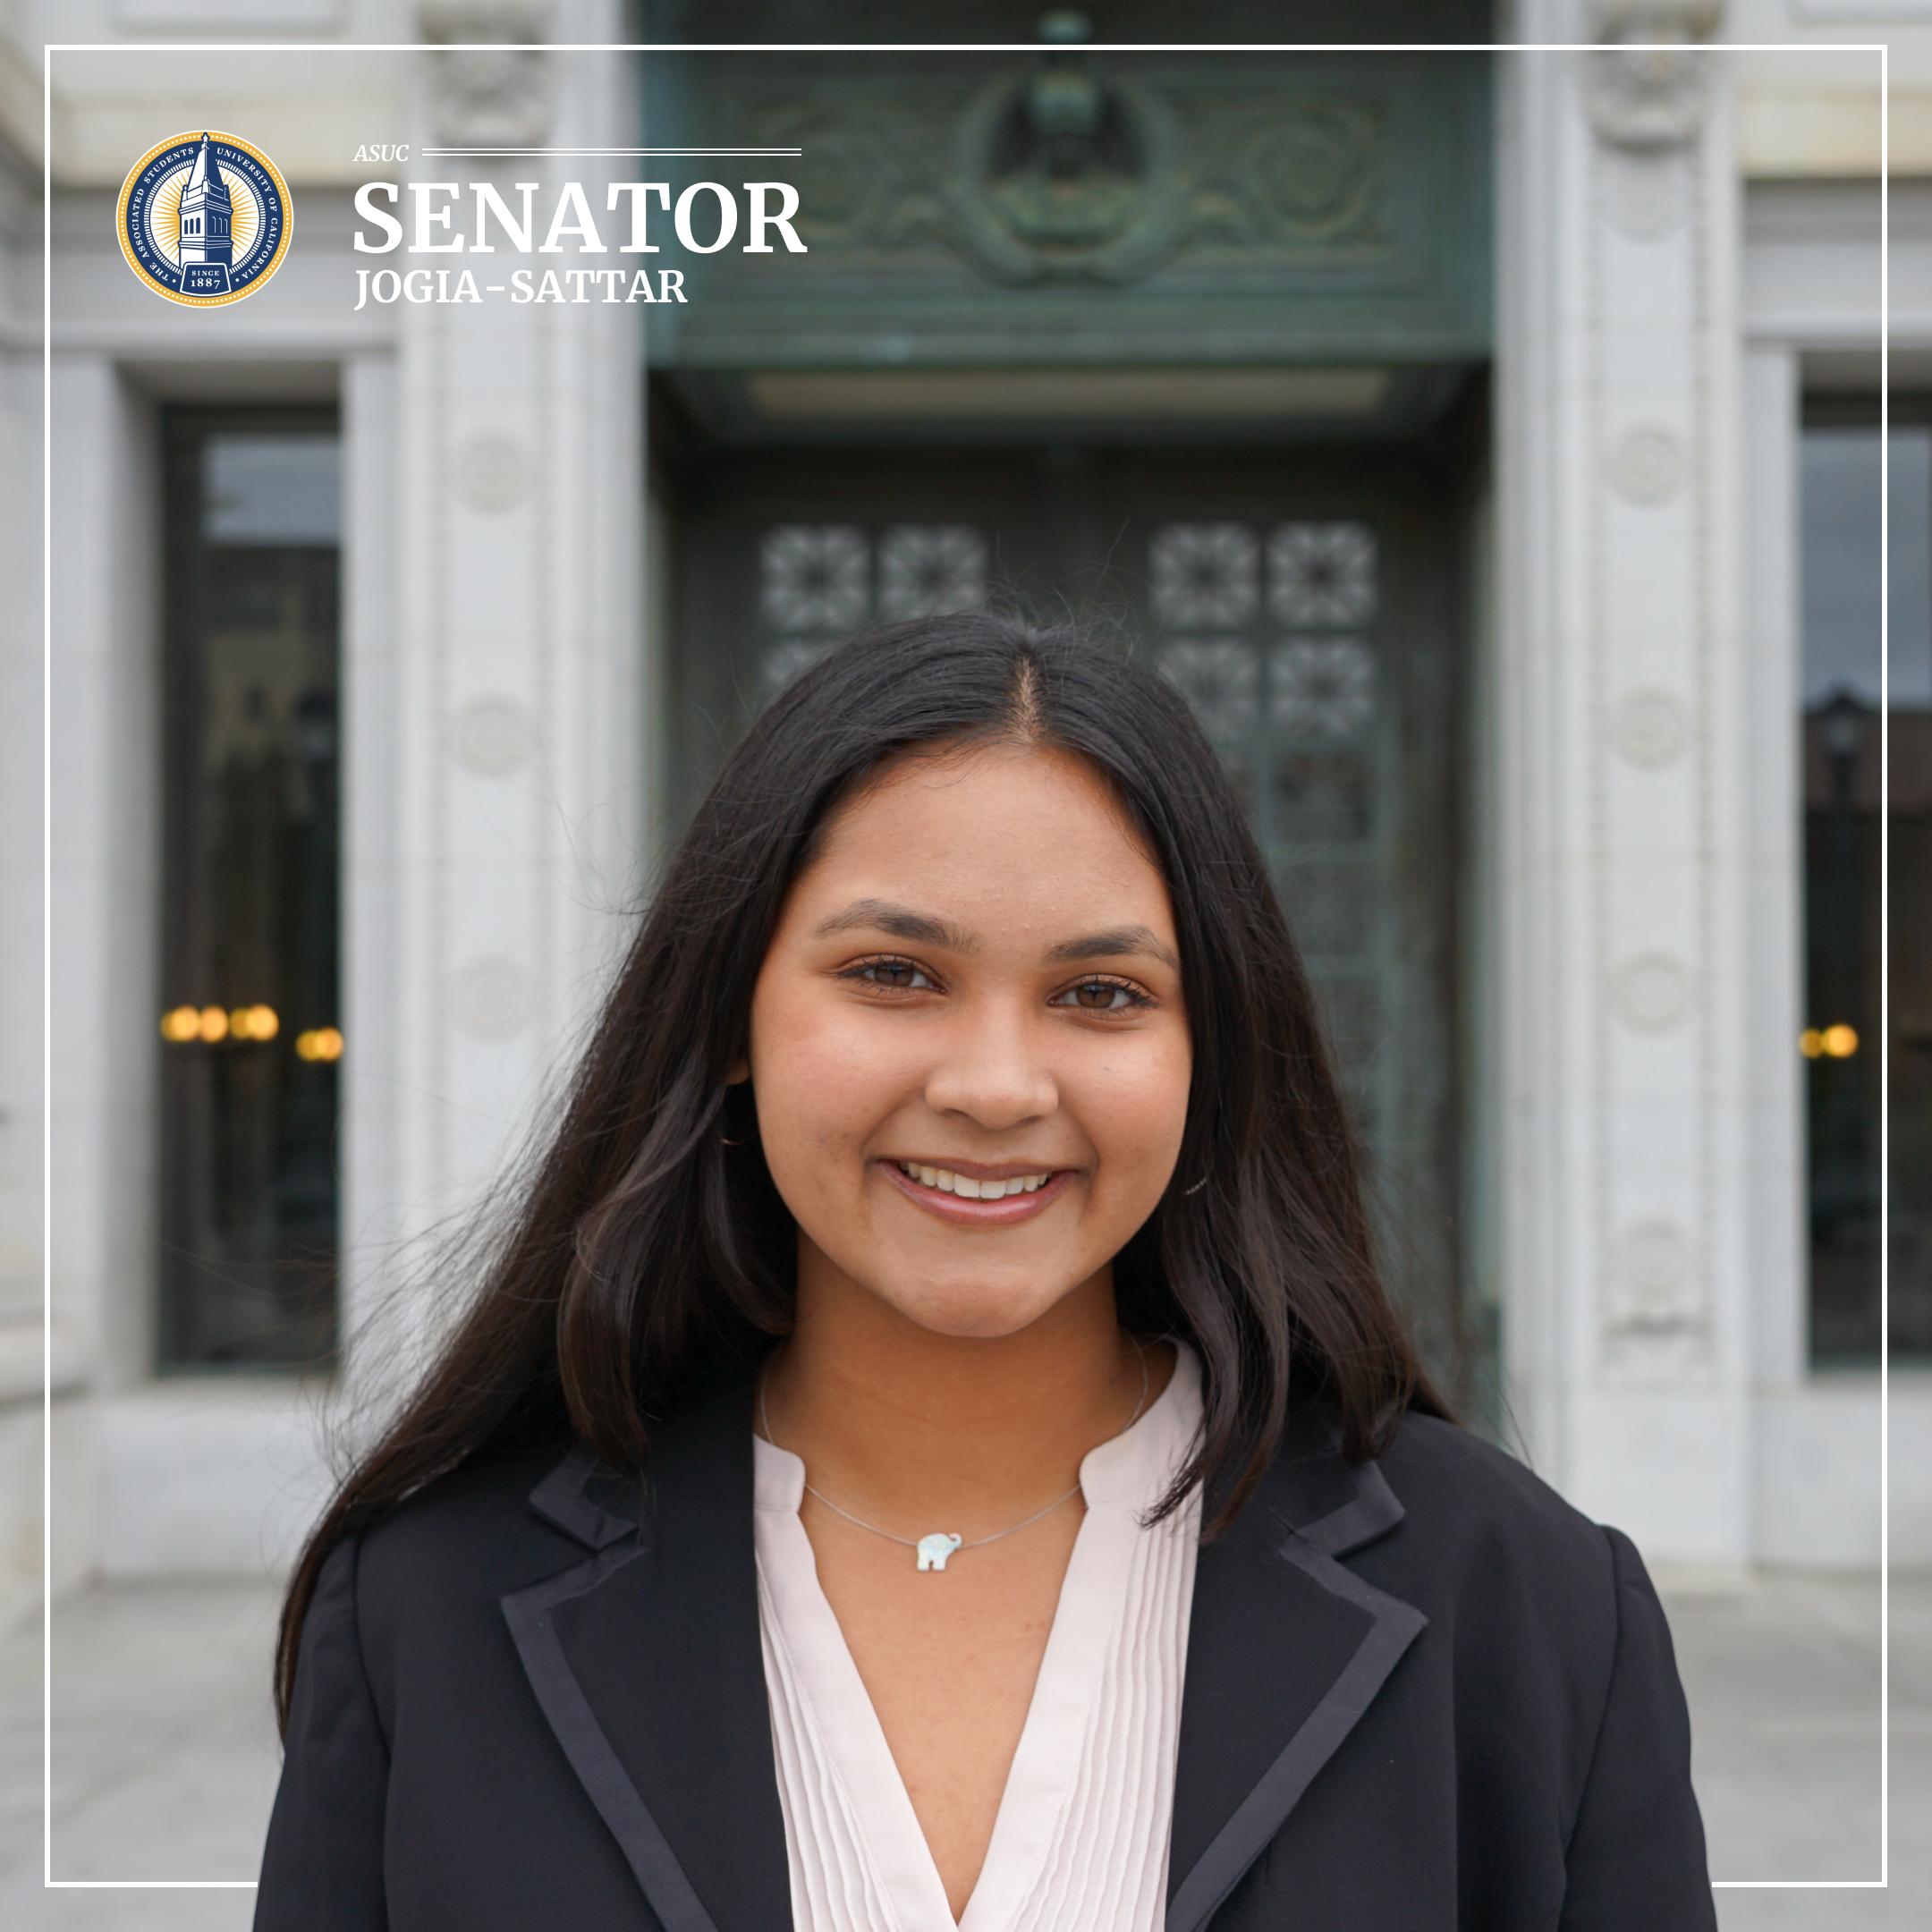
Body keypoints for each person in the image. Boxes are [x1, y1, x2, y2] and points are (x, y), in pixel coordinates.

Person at [255, 614, 1716, 1932]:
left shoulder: (1525, 1606)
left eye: (1102, 994)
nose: (999, 1086)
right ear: (734, 1017)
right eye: (895, 974)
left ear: (1211, 1052)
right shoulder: (426, 1609)